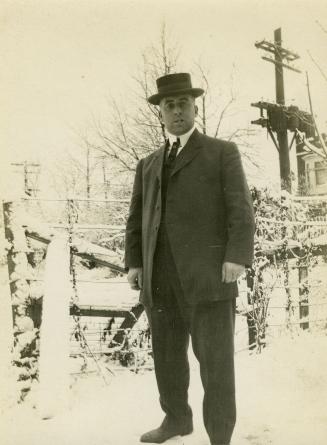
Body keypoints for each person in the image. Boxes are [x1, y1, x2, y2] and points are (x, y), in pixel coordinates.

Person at [125, 72, 255, 445]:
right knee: (167, 358)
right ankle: (176, 420)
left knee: (215, 365)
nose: (177, 110)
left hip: (209, 278)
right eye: (169, 105)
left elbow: (240, 211)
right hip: (160, 280)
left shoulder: (221, 152)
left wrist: (236, 257)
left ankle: (220, 436)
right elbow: (137, 218)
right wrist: (135, 263)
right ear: (160, 113)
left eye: (184, 103)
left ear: (195, 107)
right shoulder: (147, 165)